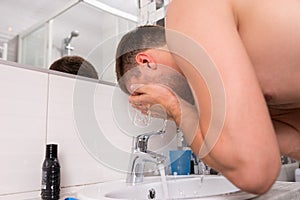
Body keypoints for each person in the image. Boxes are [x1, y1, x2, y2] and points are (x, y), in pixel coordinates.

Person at [115, 0, 300, 195]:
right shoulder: (255, 92)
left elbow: (254, 173)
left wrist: (175, 105)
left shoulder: (188, 10)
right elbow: (284, 147)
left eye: (142, 93)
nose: (151, 106)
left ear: (146, 62)